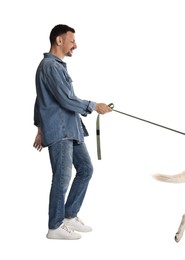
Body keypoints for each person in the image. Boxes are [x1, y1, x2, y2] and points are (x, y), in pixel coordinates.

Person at [33, 24, 112, 240]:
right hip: (60, 130)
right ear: (59, 41)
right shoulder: (49, 66)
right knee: (62, 177)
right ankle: (55, 226)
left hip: (71, 128)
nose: (75, 45)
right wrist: (94, 106)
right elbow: (65, 100)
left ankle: (69, 216)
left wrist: (39, 128)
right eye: (72, 41)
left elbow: (40, 99)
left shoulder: (56, 67)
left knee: (85, 169)